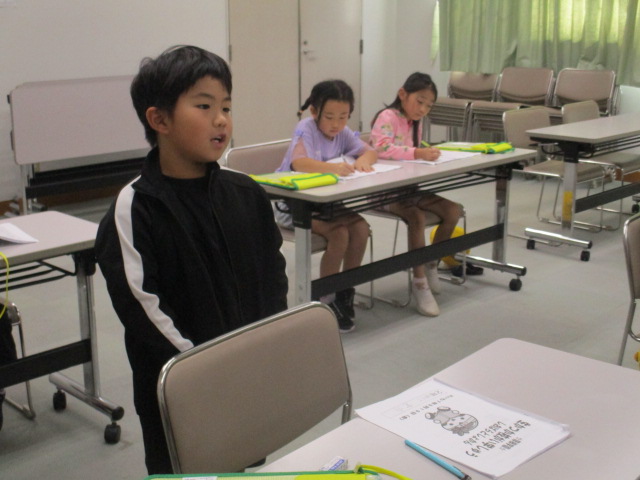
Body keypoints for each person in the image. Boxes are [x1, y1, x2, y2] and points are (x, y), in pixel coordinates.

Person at [95, 45, 288, 474]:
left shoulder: (245, 193)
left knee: (243, 461)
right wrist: (203, 369)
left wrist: (267, 346)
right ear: (159, 120)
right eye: (204, 106)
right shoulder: (135, 209)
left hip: (247, 378)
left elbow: (272, 275)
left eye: (226, 107)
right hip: (180, 390)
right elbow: (143, 309)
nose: (221, 119)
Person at [274, 79, 376, 333]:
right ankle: (326, 300)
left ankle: (345, 291)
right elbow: (299, 163)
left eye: (343, 117)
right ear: (314, 111)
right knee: (339, 233)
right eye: (329, 117)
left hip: (326, 204)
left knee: (361, 228)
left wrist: (363, 160)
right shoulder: (305, 128)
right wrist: (333, 168)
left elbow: (370, 151)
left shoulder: (342, 131)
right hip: (294, 205)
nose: (336, 124)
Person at [370, 72, 465, 317]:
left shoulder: (416, 122)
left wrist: (426, 153)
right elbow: (381, 149)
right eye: (419, 101)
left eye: (428, 106)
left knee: (453, 210)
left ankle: (431, 262)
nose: (423, 109)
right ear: (403, 94)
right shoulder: (387, 116)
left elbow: (412, 152)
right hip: (382, 191)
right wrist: (417, 154)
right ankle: (419, 281)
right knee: (417, 217)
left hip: (408, 188)